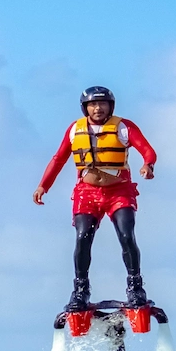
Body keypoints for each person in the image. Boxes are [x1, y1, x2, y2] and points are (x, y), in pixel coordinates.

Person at [33, 86, 157, 311]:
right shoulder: (75, 129)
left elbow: (147, 150)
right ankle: (80, 289)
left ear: (111, 106)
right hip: (87, 193)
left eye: (102, 104)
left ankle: (135, 287)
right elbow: (59, 159)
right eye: (92, 104)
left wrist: (148, 165)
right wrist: (44, 185)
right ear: (85, 108)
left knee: (126, 235)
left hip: (119, 191)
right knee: (82, 237)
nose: (97, 108)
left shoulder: (123, 127)